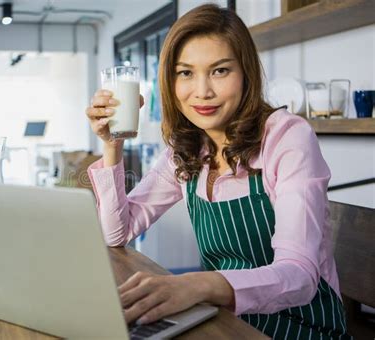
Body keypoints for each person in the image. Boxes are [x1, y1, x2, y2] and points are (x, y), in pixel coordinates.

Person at [85, 4, 351, 339]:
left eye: (220, 71)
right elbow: (116, 233)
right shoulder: (187, 150)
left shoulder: (286, 137)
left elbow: (299, 276)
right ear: (170, 81)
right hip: (226, 321)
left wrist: (198, 284)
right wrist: (113, 145)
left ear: (246, 74)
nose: (202, 91)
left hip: (302, 327)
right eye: (185, 73)